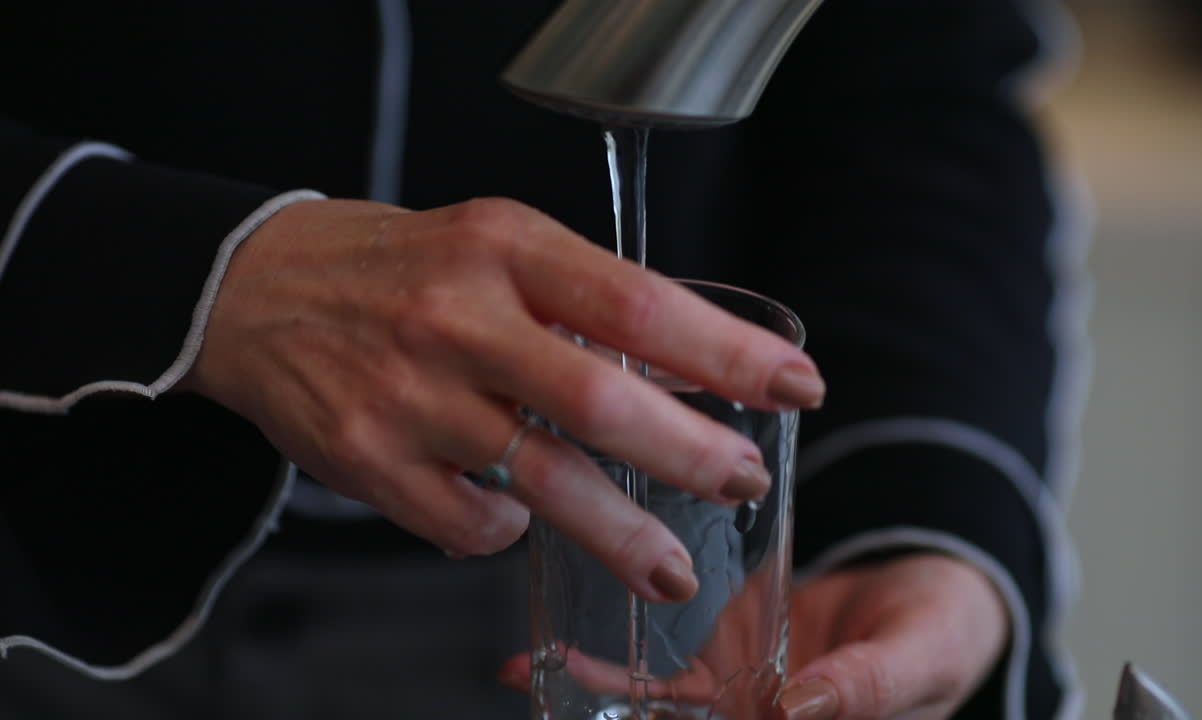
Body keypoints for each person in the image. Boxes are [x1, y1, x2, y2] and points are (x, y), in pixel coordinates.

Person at [0, 1, 1087, 718]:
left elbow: (913, 102)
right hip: (32, 584)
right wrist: (204, 278)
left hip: (625, 622)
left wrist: (920, 515)